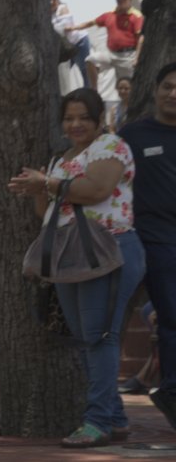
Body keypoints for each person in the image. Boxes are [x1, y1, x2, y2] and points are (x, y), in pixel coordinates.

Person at [9, 87, 146, 447]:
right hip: (70, 253)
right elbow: (47, 212)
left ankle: (97, 421)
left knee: (101, 337)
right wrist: (38, 189)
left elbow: (96, 190)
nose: (76, 124)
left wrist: (48, 182)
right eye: (69, 118)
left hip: (109, 248)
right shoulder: (62, 156)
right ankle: (113, 419)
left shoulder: (112, 146)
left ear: (99, 119)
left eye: (84, 117)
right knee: (88, 339)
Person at [118, 62, 176, 430]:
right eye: (168, 86)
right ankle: (171, 389)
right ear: (155, 90)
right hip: (150, 242)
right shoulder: (132, 135)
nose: (173, 94)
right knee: (170, 319)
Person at [73, 0, 145, 80]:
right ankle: (94, 91)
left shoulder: (136, 16)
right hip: (111, 54)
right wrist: (73, 28)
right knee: (90, 60)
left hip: (127, 56)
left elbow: (141, 38)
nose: (121, 0)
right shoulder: (109, 15)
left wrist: (137, 58)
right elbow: (91, 23)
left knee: (128, 84)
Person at [51, 0, 91, 88]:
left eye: (51, 0)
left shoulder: (62, 8)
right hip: (67, 47)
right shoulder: (50, 15)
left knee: (84, 70)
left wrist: (53, 27)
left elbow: (64, 27)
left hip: (78, 42)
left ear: (55, 0)